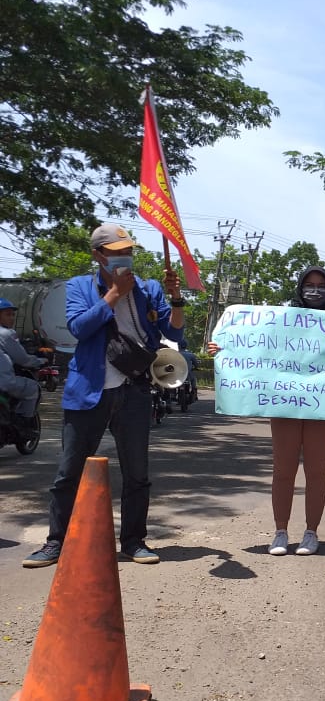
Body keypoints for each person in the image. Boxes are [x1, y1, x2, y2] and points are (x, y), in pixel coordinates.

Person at [23, 224, 185, 568]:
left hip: (135, 391)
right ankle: (56, 542)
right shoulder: (80, 286)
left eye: (127, 251)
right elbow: (80, 328)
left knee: (137, 473)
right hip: (88, 391)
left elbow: (174, 331)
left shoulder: (148, 288)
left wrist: (175, 298)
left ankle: (134, 541)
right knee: (69, 472)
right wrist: (113, 293)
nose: (124, 257)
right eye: (115, 252)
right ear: (98, 255)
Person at [208, 266, 325, 556]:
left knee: (316, 469)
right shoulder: (279, 323)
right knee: (283, 469)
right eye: (309, 284)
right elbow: (252, 349)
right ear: (300, 288)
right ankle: (280, 532)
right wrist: (224, 350)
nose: (315, 290)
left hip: (323, 403)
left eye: (321, 285)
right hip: (284, 402)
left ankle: (311, 533)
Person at [0, 298, 46, 428]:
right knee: (32, 388)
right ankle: (24, 424)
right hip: (4, 383)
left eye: (13, 314)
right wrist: (41, 361)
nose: (12, 318)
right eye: (7, 314)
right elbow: (23, 360)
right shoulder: (6, 334)